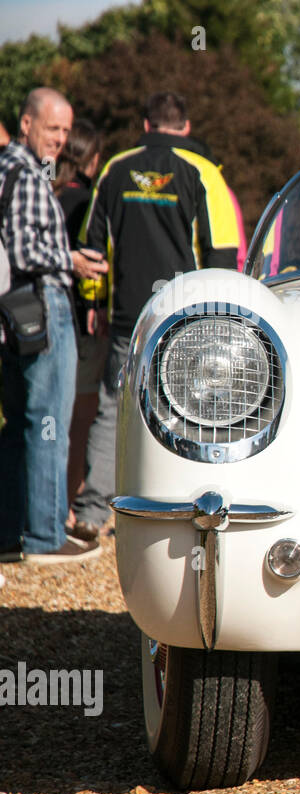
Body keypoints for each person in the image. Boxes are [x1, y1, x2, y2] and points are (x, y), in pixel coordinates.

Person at [71, 91, 242, 540]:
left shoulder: (115, 169)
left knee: (111, 409)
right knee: (190, 412)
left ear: (146, 126)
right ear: (184, 128)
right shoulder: (204, 171)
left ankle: (91, 514)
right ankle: (181, 508)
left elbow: (92, 249)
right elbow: (224, 253)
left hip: (128, 316)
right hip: (186, 322)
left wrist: (93, 303)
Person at [0, 88, 108, 565]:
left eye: (66, 131)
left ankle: (9, 534)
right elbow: (25, 251)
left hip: (18, 308)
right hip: (43, 303)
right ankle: (45, 536)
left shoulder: (11, 167)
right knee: (48, 421)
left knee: (20, 422)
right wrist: (73, 260)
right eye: (52, 129)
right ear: (26, 124)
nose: (61, 140)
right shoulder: (23, 173)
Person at [53, 118, 103, 518]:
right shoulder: (88, 202)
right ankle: (65, 506)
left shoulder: (48, 193)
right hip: (77, 320)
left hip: (40, 317)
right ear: (93, 158)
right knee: (80, 423)